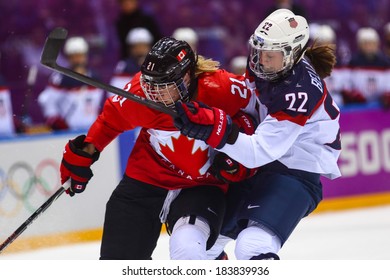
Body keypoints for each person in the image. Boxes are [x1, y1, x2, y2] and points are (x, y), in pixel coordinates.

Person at [59, 37, 258, 260]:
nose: (154, 94)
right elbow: (109, 121)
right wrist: (83, 155)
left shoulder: (222, 88)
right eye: (149, 85)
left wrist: (237, 148)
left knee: (188, 252)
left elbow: (257, 115)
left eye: (163, 87)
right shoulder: (139, 92)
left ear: (187, 76)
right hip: (146, 180)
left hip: (202, 186)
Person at [174, 9, 341, 260]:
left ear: (292, 54)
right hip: (268, 161)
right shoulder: (270, 64)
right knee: (205, 248)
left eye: (269, 55)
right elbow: (248, 105)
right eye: (259, 50)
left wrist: (213, 129)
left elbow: (257, 152)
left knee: (252, 245)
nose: (261, 60)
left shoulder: (299, 92)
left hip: (297, 169)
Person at [38, 37, 105, 131]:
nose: (78, 59)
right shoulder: (60, 78)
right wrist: (56, 121)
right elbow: (46, 101)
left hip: (92, 131)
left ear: (86, 56)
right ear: (68, 57)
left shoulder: (95, 77)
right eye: (74, 56)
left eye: (80, 55)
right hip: (68, 132)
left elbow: (98, 103)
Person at [343, 27, 390, 105]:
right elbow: (347, 83)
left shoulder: (385, 62)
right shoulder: (353, 62)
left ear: (377, 44)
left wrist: (387, 94)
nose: (369, 46)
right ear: (359, 45)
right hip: (359, 106)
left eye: (371, 43)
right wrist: (352, 94)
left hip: (381, 106)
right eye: (365, 43)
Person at [110, 27, 153, 93]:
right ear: (131, 48)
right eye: (137, 46)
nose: (140, 50)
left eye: (143, 46)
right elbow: (115, 90)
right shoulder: (123, 65)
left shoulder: (155, 65)